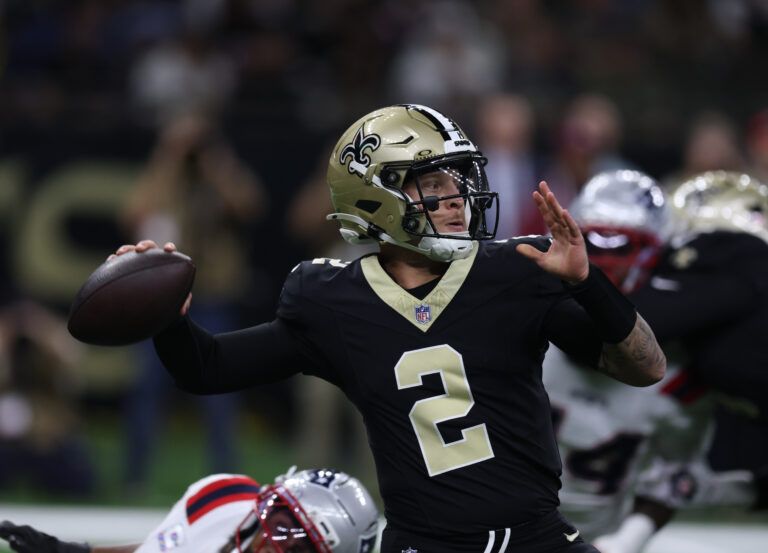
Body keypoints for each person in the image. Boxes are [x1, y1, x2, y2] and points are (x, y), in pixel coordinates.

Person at [113, 104, 665, 553]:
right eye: (430, 182)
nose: (455, 196)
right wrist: (165, 316)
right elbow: (206, 368)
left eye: (458, 178)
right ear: (375, 198)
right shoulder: (331, 299)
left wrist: (589, 284)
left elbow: (646, 367)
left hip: (539, 539)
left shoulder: (515, 270)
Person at [543, 170, 768, 553]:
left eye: (621, 245)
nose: (604, 258)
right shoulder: (526, 325)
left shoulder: (680, 364)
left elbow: (673, 476)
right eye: (592, 239)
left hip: (592, 537)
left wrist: (624, 542)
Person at [0, 467, 380, 553]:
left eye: (297, 548)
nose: (270, 544)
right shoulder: (224, 499)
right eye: (280, 522)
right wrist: (73, 552)